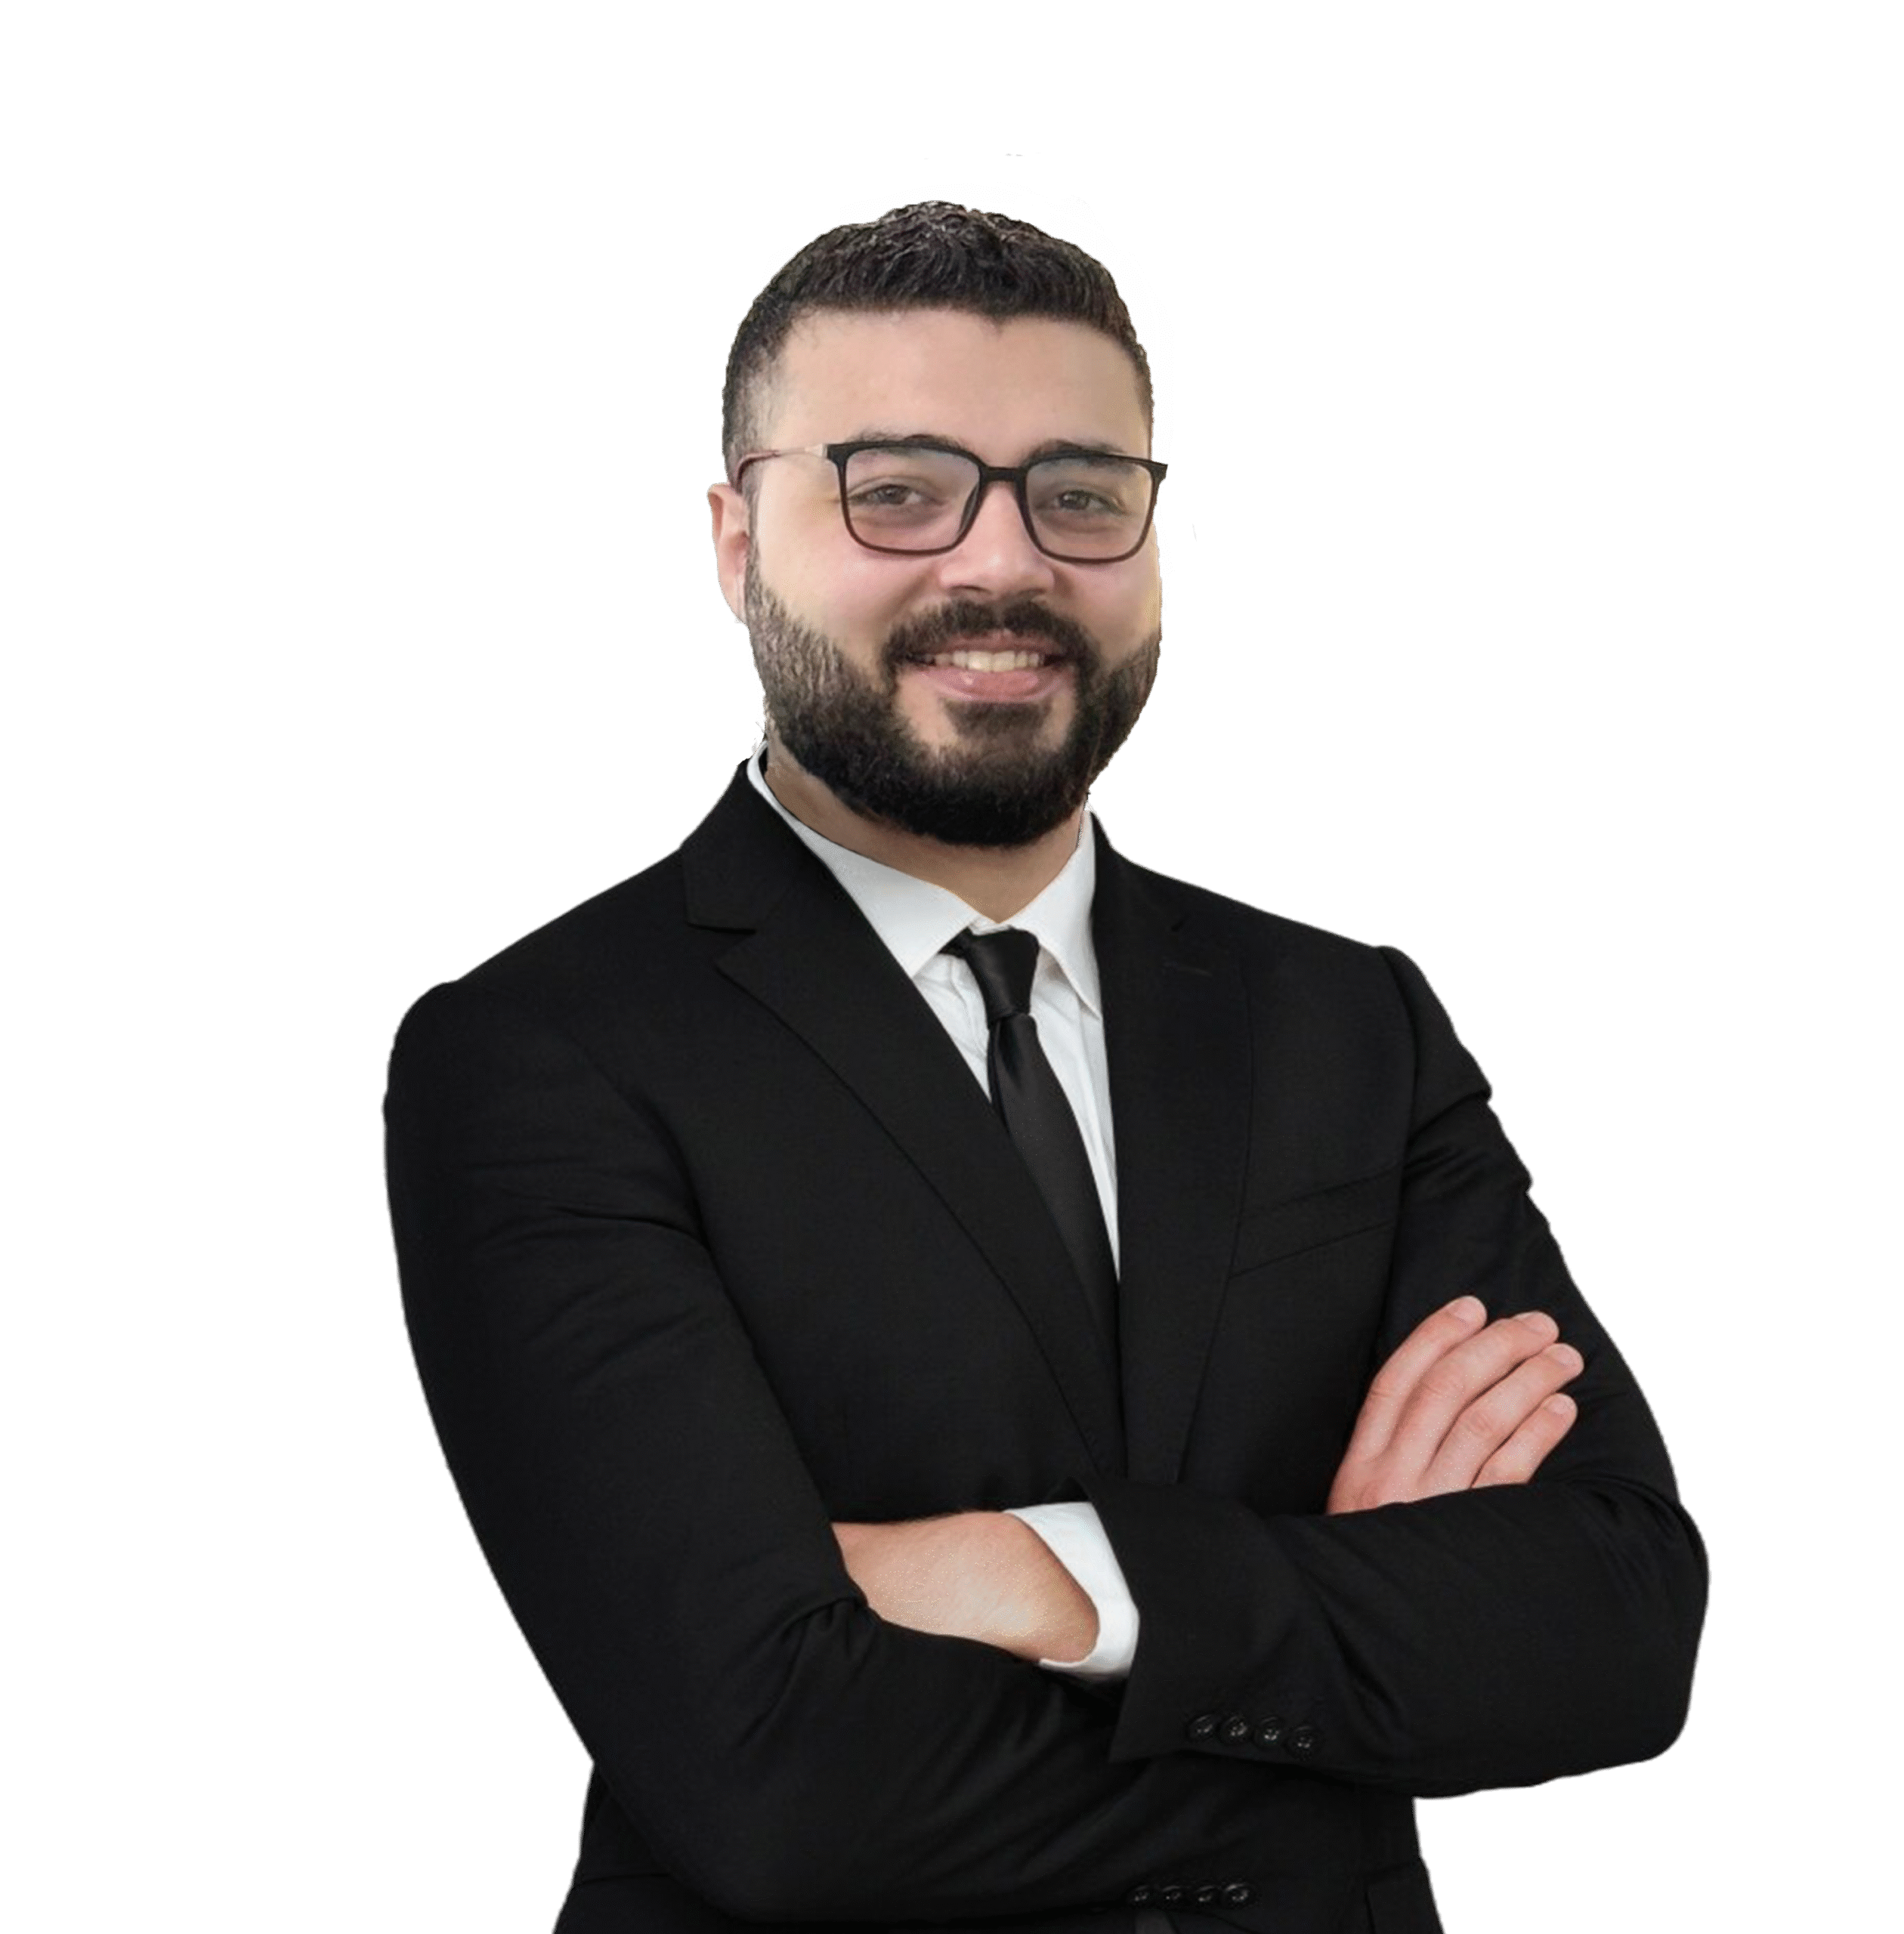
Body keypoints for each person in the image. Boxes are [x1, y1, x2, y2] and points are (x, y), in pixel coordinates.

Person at [383, 202, 1707, 1934]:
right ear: (734, 540)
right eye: (896, 490)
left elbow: (1622, 1622)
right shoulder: (539, 1050)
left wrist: (1048, 1575)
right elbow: (775, 1780)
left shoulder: (1349, 1017)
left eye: (1077, 493)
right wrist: (1359, 1640)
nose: (998, 567)